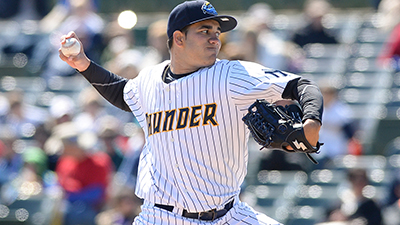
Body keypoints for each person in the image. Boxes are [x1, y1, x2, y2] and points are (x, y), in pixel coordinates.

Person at [59, 1, 323, 224]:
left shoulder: (231, 75)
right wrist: (83, 64)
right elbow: (121, 93)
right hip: (160, 217)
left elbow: (302, 86)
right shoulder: (149, 80)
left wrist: (311, 121)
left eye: (217, 32)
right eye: (204, 30)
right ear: (178, 38)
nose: (214, 38)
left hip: (228, 215)